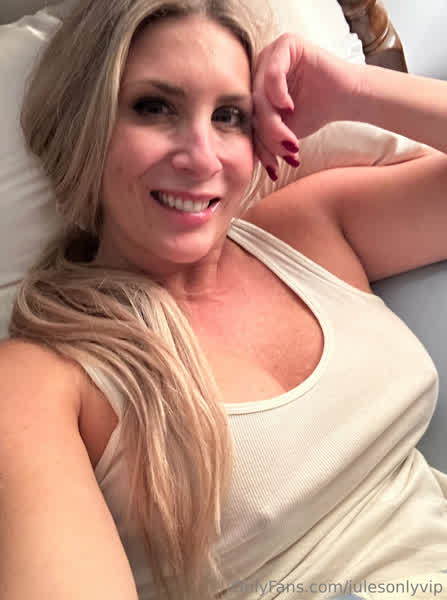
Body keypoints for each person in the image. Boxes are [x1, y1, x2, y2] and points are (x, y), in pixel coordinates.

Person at [1, 0, 447, 599]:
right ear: (86, 125)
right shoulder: (40, 379)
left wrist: (353, 92)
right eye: (153, 107)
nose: (202, 157)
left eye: (230, 116)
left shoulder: (305, 227)